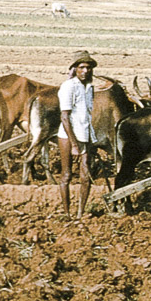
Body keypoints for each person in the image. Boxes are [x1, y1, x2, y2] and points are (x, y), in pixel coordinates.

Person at [58, 50, 97, 219]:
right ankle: (67, 213)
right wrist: (74, 145)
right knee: (67, 175)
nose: (85, 71)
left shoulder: (89, 88)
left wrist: (90, 139)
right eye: (81, 67)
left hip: (85, 134)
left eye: (88, 68)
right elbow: (65, 117)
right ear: (75, 68)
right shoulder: (68, 86)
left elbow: (86, 115)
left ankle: (80, 213)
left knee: (86, 175)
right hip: (69, 136)